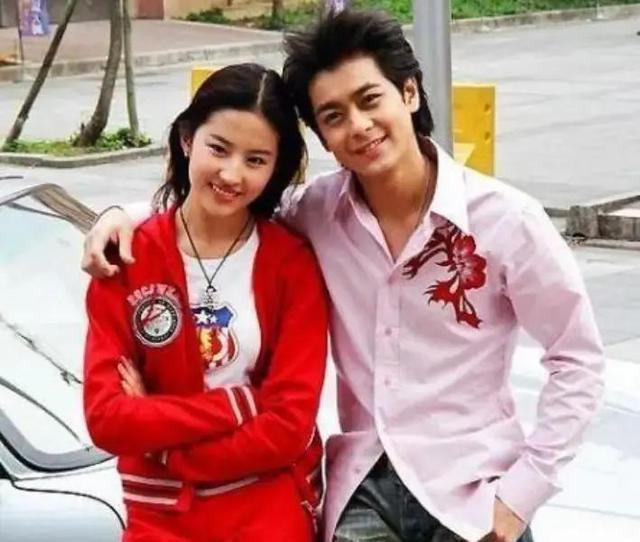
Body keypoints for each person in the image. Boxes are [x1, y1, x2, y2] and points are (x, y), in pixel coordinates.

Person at [82, 10, 605, 542]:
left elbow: (578, 360)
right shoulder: (316, 213)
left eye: (369, 100)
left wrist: (520, 497)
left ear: (409, 93)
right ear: (323, 138)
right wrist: (122, 216)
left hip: (474, 493)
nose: (357, 125)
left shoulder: (506, 221)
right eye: (333, 115)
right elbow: (219, 208)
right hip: (363, 492)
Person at [83, 63, 328, 542]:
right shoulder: (126, 259)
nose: (232, 174)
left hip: (267, 512)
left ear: (275, 168)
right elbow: (107, 418)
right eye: (219, 148)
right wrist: (239, 403)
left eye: (256, 160)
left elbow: (288, 427)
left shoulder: (291, 263)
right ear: (187, 140)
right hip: (159, 518)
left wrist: (168, 448)